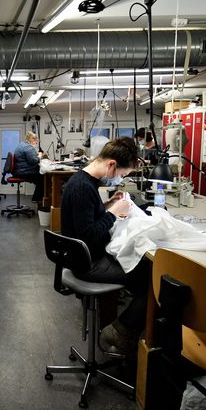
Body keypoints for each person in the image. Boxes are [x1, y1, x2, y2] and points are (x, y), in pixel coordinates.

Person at [60, 137, 147, 354]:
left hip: (86, 255)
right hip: (87, 263)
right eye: (120, 174)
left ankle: (129, 327)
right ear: (111, 165)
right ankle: (121, 330)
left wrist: (108, 204)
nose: (119, 179)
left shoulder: (86, 181)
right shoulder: (83, 187)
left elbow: (87, 216)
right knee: (151, 279)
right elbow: (88, 235)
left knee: (143, 272)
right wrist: (113, 212)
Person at [13, 131, 44, 204]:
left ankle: (38, 198)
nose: (36, 143)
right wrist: (39, 156)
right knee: (43, 177)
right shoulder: (28, 147)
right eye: (35, 141)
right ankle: (37, 199)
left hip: (19, 171)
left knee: (40, 177)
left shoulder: (22, 144)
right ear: (32, 140)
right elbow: (33, 161)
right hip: (23, 172)